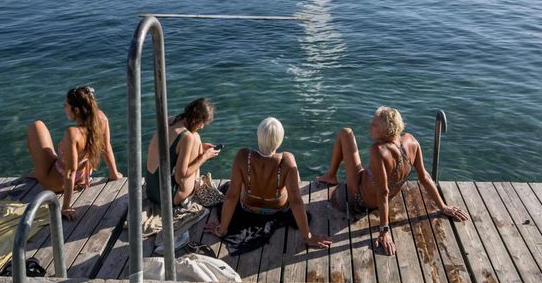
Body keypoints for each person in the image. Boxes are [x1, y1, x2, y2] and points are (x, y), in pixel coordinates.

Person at [316, 107, 468, 255]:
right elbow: (425, 177)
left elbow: (382, 193)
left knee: (346, 133)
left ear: (385, 129)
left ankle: (331, 175)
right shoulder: (412, 142)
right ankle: (331, 175)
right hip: (385, 193)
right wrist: (443, 206)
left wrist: (384, 231)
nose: (370, 126)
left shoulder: (379, 151)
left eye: (374, 124)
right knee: (364, 167)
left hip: (361, 198)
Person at [207, 117, 332, 255]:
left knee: (229, 187)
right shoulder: (287, 160)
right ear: (280, 140)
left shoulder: (243, 156)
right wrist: (308, 236)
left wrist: (222, 229)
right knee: (293, 179)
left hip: (247, 208)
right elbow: (296, 201)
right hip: (276, 210)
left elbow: (231, 196)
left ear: (258, 136)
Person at [27, 85, 121, 219]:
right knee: (51, 154)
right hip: (83, 177)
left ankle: (38, 174)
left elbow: (70, 172)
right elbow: (106, 147)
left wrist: (66, 206)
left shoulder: (73, 134)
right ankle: (37, 173)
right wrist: (114, 174)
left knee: (36, 126)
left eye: (66, 106)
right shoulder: (101, 119)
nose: (64, 108)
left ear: (76, 110)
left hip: (57, 182)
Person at [145, 97, 219, 207]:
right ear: (197, 119)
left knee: (196, 142)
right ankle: (196, 184)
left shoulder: (169, 120)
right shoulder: (187, 137)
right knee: (195, 138)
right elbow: (180, 176)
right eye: (203, 123)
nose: (202, 127)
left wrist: (200, 147)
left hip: (150, 189)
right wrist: (204, 157)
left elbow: (169, 151)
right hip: (166, 197)